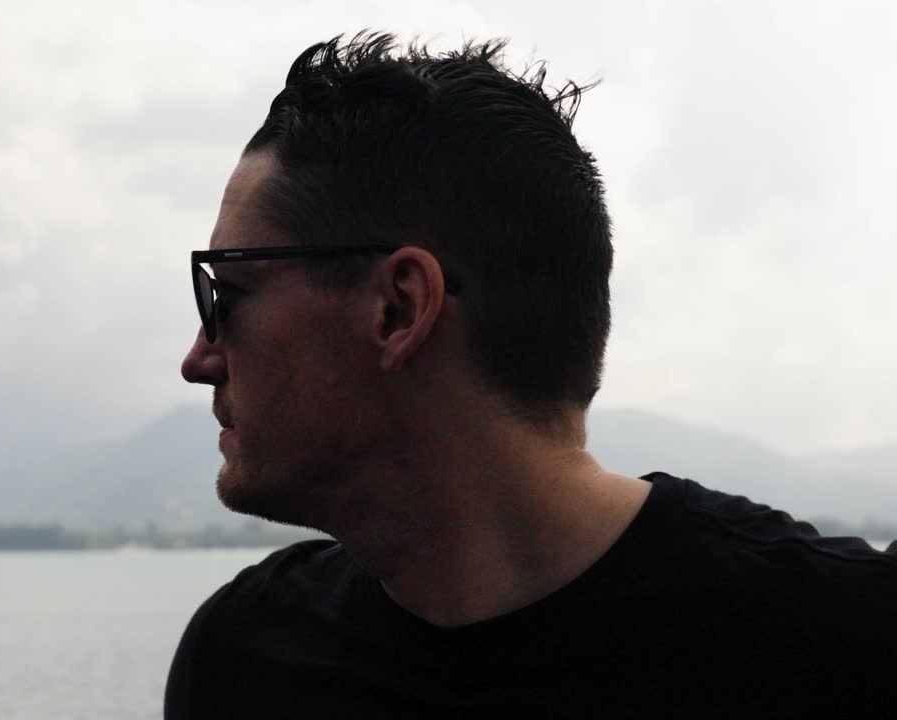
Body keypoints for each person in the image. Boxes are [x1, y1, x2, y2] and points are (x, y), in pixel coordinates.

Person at [165, 32, 897, 717]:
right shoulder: (244, 660)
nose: (198, 360)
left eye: (227, 295)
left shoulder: (848, 646)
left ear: (398, 308)